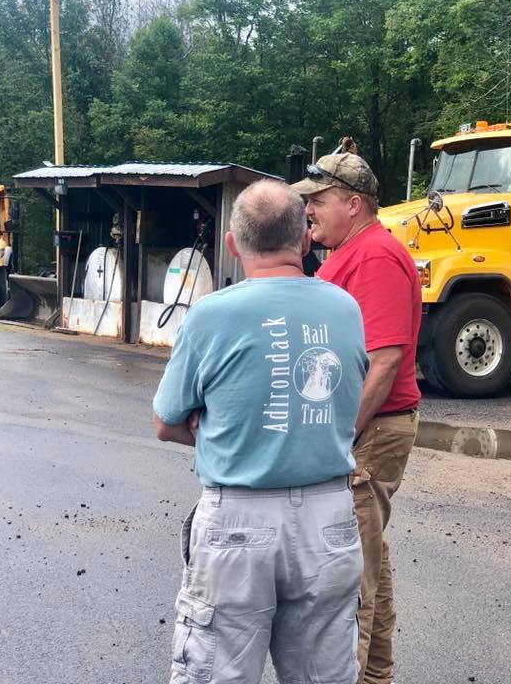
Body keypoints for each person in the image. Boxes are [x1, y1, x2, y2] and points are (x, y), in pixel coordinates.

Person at [152, 179, 368, 684]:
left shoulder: (211, 314)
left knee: (217, 671)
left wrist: (220, 429)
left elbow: (166, 422)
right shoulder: (345, 309)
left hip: (238, 522)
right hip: (329, 520)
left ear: (232, 244)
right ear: (305, 239)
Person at [293, 153, 422, 684]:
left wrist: (341, 438)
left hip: (369, 432)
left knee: (350, 576)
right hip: (366, 431)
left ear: (353, 203)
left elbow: (386, 357)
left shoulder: (374, 257)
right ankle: (376, 676)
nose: (308, 210)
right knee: (369, 562)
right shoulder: (350, 253)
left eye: (317, 201)